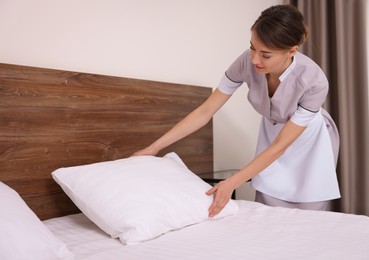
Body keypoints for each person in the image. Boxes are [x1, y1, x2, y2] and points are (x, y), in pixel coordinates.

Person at [133, 4, 341, 217]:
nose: (254, 59)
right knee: (268, 210)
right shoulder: (246, 61)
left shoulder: (314, 81)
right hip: (273, 131)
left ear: (292, 51)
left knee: (308, 212)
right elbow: (205, 111)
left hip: (307, 138)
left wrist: (232, 182)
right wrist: (154, 147)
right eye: (252, 47)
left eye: (265, 55)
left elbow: (281, 146)